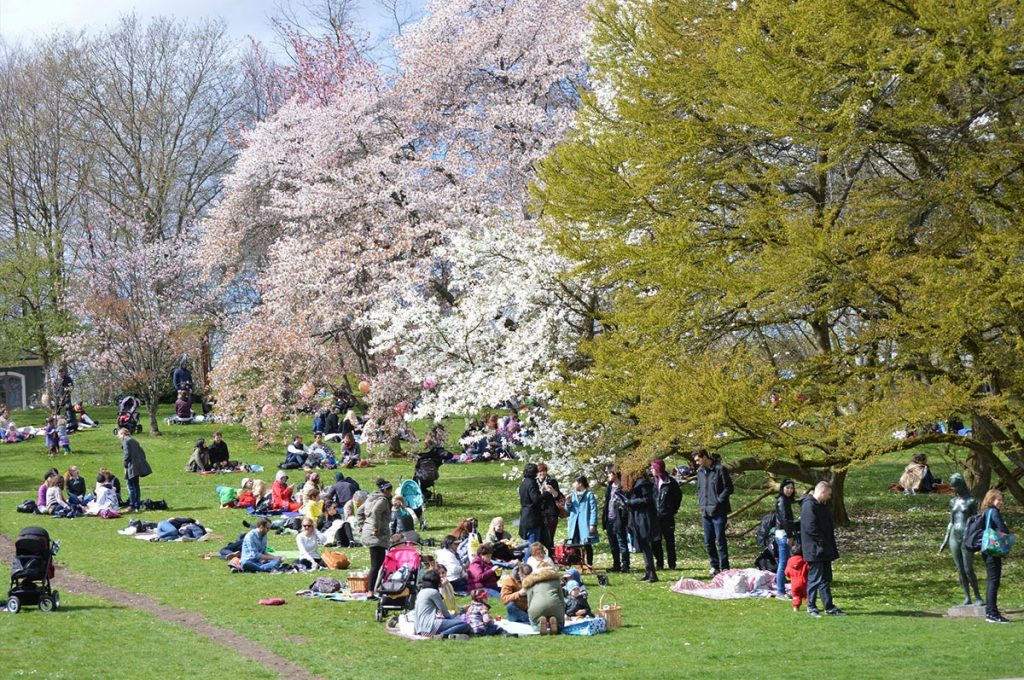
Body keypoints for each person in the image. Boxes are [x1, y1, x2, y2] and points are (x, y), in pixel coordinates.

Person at [800, 481, 844, 617]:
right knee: (815, 579)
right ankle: (811, 606)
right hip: (815, 550)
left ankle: (828, 606)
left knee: (825, 578)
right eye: (829, 494)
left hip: (823, 549)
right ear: (823, 492)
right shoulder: (809, 506)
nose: (829, 498)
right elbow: (810, 528)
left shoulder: (821, 506)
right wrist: (822, 543)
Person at [939, 473, 984, 605]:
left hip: (966, 535)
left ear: (962, 485)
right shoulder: (953, 501)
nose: (955, 490)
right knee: (960, 568)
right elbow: (951, 521)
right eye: (953, 487)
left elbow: (977, 520)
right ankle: (967, 597)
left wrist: (976, 537)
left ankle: (978, 596)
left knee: (968, 568)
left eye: (956, 487)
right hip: (954, 535)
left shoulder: (971, 501)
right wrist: (945, 540)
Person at [694, 449, 733, 576]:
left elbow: (729, 488)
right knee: (708, 540)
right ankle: (714, 565)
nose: (697, 462)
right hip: (705, 511)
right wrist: (700, 501)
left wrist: (718, 500)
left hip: (719, 511)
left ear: (705, 457)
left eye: (698, 459)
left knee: (720, 540)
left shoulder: (719, 469)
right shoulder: (700, 472)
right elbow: (699, 488)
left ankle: (725, 567)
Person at [979, 489, 1013, 623]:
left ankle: (991, 612)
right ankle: (992, 613)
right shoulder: (993, 512)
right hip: (992, 550)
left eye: (1001, 500)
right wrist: (1006, 530)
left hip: (986, 550)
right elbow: (1003, 529)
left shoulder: (986, 511)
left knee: (992, 581)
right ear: (991, 500)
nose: (1001, 502)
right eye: (998, 500)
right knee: (994, 581)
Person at [359, 478, 393, 591]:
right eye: (390, 490)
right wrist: (376, 528)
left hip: (368, 532)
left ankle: (377, 587)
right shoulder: (382, 500)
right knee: (376, 565)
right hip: (376, 535)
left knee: (380, 563)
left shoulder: (371, 498)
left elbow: (359, 511)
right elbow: (376, 512)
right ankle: (371, 591)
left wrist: (361, 525)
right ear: (387, 490)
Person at [414, 570, 471, 638]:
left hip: (419, 628)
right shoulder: (434, 592)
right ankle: (442, 635)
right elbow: (444, 611)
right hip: (429, 626)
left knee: (455, 622)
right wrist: (453, 619)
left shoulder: (421, 592)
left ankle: (446, 635)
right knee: (464, 625)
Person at [625, 469, 659, 582]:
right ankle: (649, 571)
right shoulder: (638, 483)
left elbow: (647, 500)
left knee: (645, 544)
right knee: (644, 546)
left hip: (644, 518)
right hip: (638, 516)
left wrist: (631, 502)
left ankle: (652, 573)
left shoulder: (642, 483)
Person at [651, 459, 682, 572]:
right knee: (656, 541)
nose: (651, 470)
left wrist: (672, 510)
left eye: (653, 468)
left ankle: (672, 564)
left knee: (669, 540)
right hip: (655, 516)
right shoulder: (652, 482)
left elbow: (678, 497)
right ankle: (659, 563)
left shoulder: (670, 482)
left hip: (667, 516)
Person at [522, 564, 564, 635]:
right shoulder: (556, 581)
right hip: (555, 604)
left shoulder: (531, 582)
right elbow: (561, 598)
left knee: (534, 621)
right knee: (559, 621)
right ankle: (557, 625)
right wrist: (562, 611)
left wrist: (530, 611)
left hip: (537, 606)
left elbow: (529, 600)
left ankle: (538, 626)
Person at [774, 479, 798, 597]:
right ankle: (780, 591)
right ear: (782, 488)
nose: (789, 490)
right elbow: (784, 520)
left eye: (791, 488)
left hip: (783, 533)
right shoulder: (782, 500)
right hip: (783, 534)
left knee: (785, 562)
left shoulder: (786, 500)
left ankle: (781, 587)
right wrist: (790, 535)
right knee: (783, 563)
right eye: (787, 487)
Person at [602, 467, 630, 573]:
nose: (608, 475)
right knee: (613, 543)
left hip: (619, 518)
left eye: (609, 473)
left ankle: (626, 565)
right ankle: (616, 564)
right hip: (609, 518)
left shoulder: (622, 487)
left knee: (621, 541)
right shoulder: (609, 487)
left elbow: (626, 503)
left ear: (615, 474)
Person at [119, 427, 152, 513]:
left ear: (123, 434)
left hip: (131, 466)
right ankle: (137, 505)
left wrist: (125, 465)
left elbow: (127, 454)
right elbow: (142, 453)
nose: (119, 438)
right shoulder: (134, 441)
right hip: (137, 467)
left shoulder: (126, 441)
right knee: (136, 486)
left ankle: (132, 505)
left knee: (130, 486)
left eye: (119, 435)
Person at [537, 463, 563, 553]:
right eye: (540, 471)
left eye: (543, 471)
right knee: (540, 537)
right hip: (540, 513)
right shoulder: (534, 483)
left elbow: (557, 496)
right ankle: (541, 556)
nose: (542, 473)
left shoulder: (552, 481)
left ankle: (552, 557)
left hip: (551, 513)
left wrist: (552, 490)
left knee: (549, 537)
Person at [518, 463, 544, 546]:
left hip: (525, 514)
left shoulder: (523, 483)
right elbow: (535, 499)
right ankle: (527, 559)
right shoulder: (532, 483)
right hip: (532, 517)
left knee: (530, 543)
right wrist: (546, 494)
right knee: (533, 544)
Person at [785, 541, 808, 612]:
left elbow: (787, 572)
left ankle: (796, 607)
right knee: (808, 595)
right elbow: (808, 568)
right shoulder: (804, 560)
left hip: (794, 582)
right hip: (804, 581)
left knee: (796, 595)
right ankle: (810, 606)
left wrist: (790, 576)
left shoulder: (789, 562)